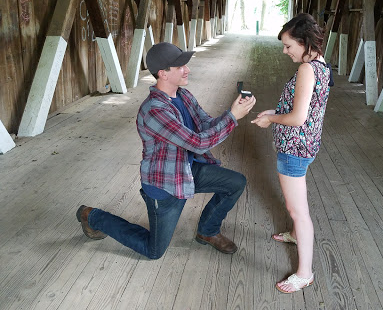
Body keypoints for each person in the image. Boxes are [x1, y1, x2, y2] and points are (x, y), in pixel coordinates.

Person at [76, 42, 256, 259]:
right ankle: (93, 216)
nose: (187, 69)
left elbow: (206, 124)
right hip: (165, 186)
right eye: (180, 66)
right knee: (153, 251)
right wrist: (233, 118)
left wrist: (231, 111)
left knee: (236, 183)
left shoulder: (184, 95)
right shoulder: (154, 110)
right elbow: (198, 143)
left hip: (188, 172)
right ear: (162, 73)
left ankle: (207, 232)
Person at [251, 13, 332, 293]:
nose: (285, 52)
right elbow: (306, 111)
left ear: (304, 42)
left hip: (294, 149)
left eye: (288, 46)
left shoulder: (307, 70)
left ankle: (304, 273)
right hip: (307, 144)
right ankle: (296, 235)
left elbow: (298, 118)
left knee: (298, 211)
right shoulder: (320, 64)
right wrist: (276, 112)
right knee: (296, 208)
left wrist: (271, 119)